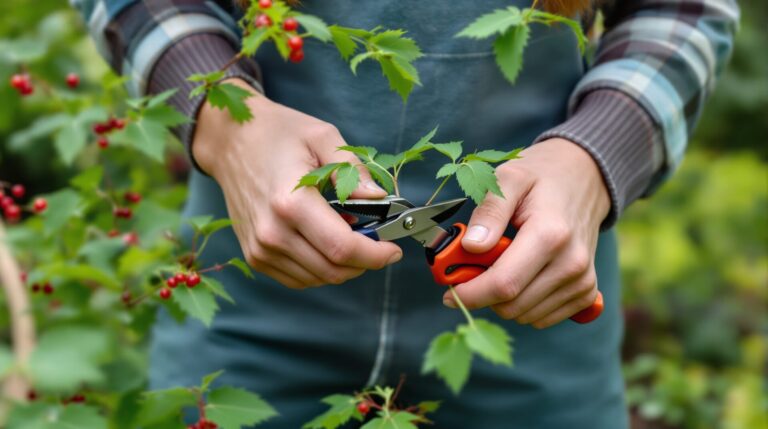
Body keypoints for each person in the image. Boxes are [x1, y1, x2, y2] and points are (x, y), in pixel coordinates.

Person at [73, 0, 738, 427]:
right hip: (247, 305)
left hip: (539, 302)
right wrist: (224, 125)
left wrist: (597, 156)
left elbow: (683, 8)